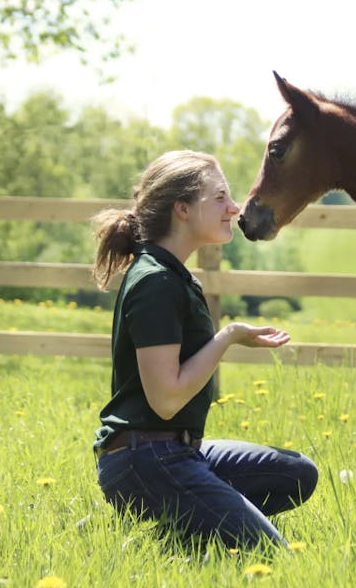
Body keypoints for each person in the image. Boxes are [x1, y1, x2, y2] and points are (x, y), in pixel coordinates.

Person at [90, 149, 317, 549]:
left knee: (296, 473)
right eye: (219, 197)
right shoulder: (155, 281)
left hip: (176, 450)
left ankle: (183, 527)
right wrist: (226, 338)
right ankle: (175, 523)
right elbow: (165, 400)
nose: (233, 208)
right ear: (182, 209)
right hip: (145, 460)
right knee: (271, 554)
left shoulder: (172, 273)